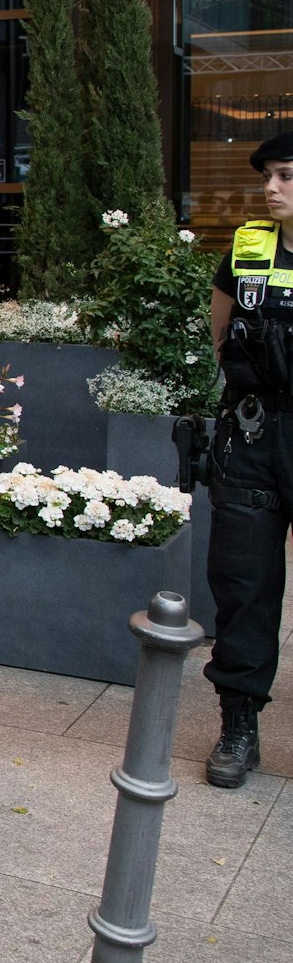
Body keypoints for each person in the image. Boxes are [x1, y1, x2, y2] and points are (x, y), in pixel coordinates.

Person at [200, 129, 293, 788]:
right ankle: (239, 724)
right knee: (244, 583)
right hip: (257, 436)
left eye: (285, 176)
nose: (271, 188)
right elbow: (220, 330)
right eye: (268, 177)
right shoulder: (248, 248)